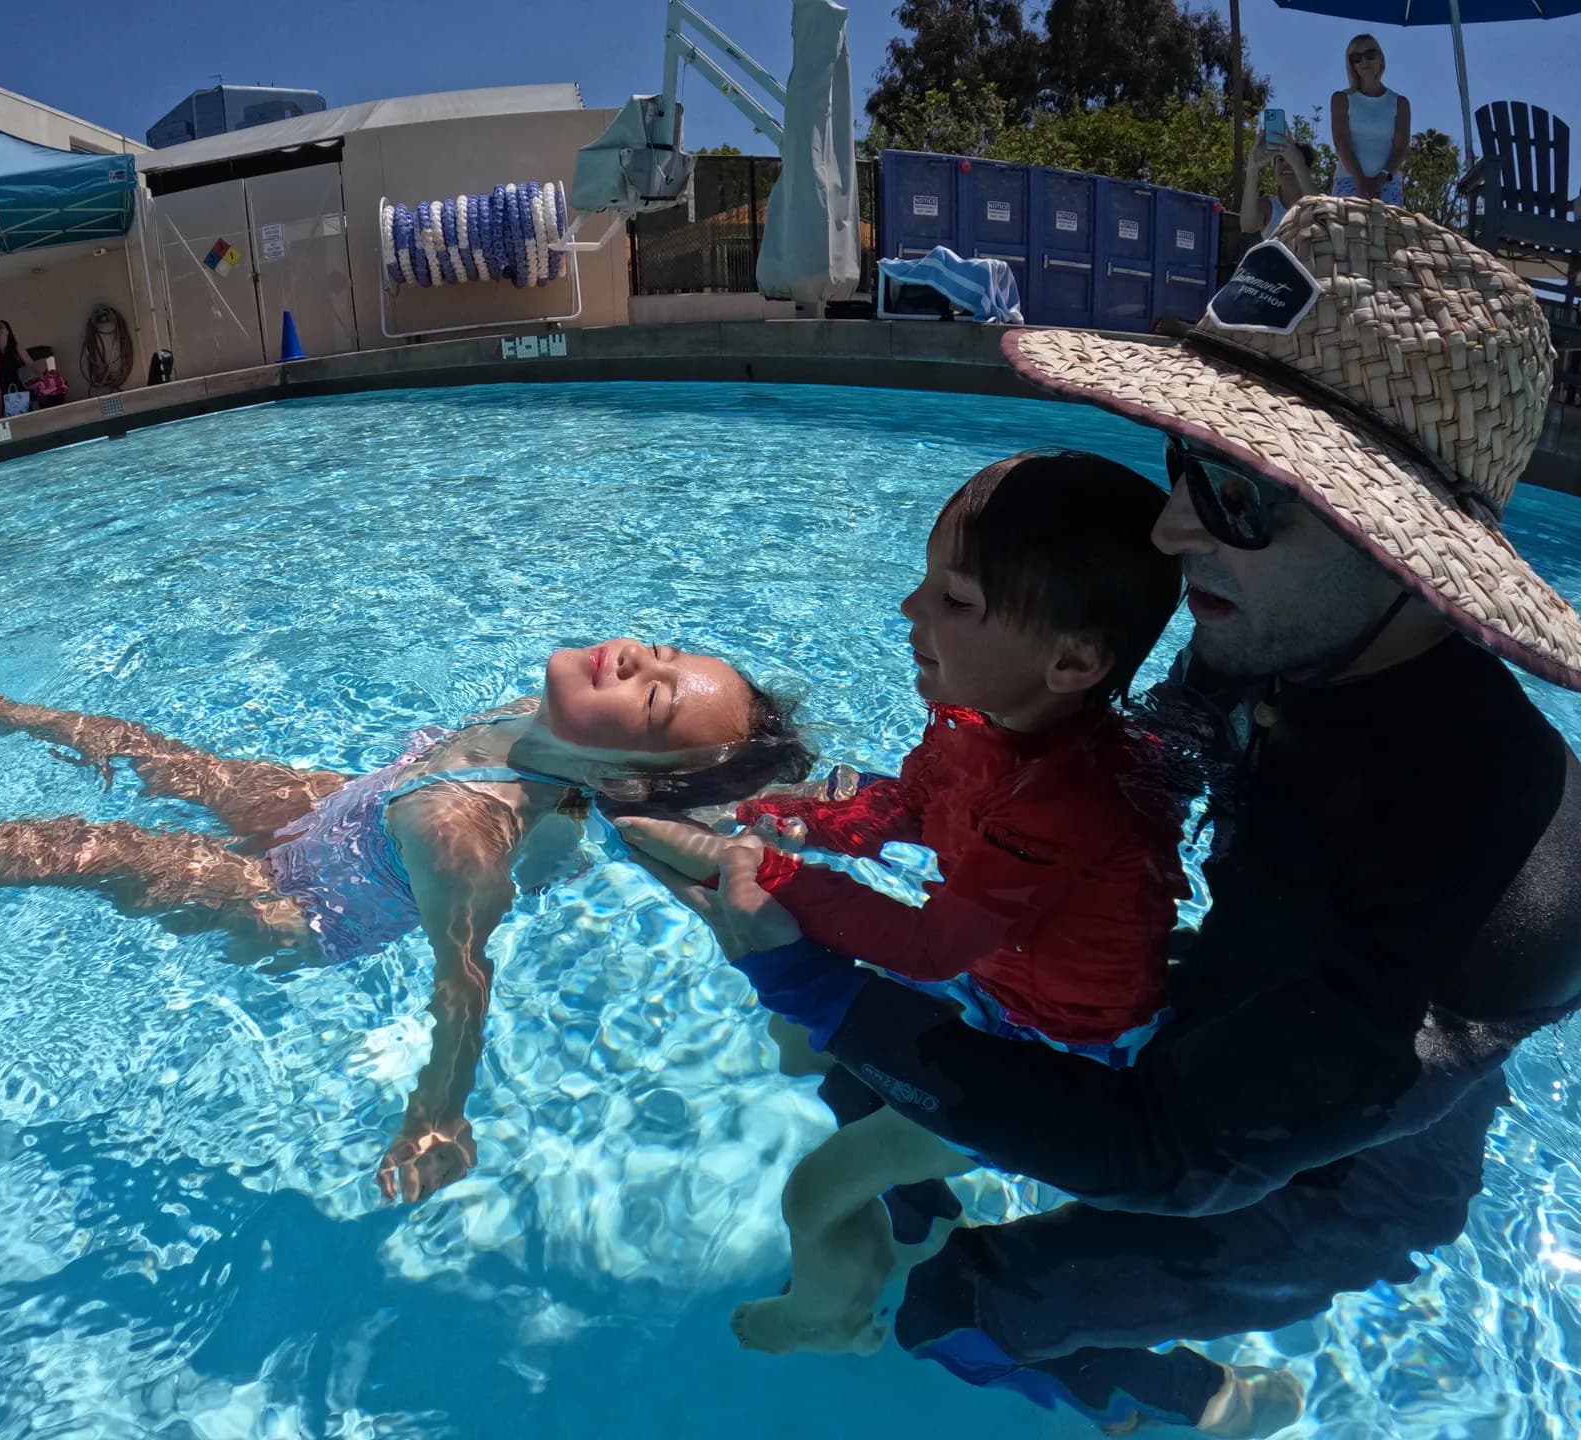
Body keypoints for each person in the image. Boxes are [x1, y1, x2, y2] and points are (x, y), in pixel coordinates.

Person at [624, 196, 1581, 1439]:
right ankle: (923, 1191)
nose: (1173, 523)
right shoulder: (1284, 645)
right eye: (1187, 462)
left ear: (1403, 545)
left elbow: (1176, 1151)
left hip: (1322, 1168)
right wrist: (856, 806)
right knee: (884, 1076)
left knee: (950, 1310)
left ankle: (1189, 1404)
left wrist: (815, 980)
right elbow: (1105, 778)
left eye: (1239, 488)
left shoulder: (1514, 882)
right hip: (1216, 1020)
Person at [0, 639, 812, 1204]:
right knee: (165, 757)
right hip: (341, 813)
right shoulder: (540, 723)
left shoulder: (465, 833)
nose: (635, 658)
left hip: (308, 905)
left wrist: (438, 1116)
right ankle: (16, 713)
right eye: (664, 651)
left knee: (93, 853)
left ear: (623, 768)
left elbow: (464, 984)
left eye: (657, 700)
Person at [719, 452, 1188, 1359]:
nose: (910, 610)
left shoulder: (1068, 802)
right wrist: (813, 818)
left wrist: (779, 878)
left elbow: (932, 945)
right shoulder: (980, 723)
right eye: (927, 582)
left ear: (1073, 662)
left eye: (956, 601)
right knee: (818, 1050)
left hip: (1056, 1055)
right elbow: (919, 803)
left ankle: (831, 1318)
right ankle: (914, 1194)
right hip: (999, 995)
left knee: (813, 1193)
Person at [1331, 34, 1409, 204]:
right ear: (1352, 65)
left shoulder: (1400, 103)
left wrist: (1380, 179)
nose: (1364, 61)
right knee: (1347, 231)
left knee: (1389, 231)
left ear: (1381, 59)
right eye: (1356, 58)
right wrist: (1361, 180)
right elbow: (1341, 142)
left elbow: (1400, 149)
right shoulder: (1341, 99)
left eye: (1370, 55)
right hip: (1348, 180)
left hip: (1388, 182)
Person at [1239, 137, 1316, 239]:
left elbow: (1323, 213)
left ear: (1308, 169)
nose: (1285, 164)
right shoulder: (1267, 206)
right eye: (1280, 159)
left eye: (1291, 158)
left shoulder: (1319, 203)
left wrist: (1298, 165)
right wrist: (1252, 169)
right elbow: (1248, 226)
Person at [0, 319, 27, 404]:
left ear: (8, 331)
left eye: (1, 327)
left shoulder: (16, 347)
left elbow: (30, 363)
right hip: (0, 387)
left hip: (16, 384)